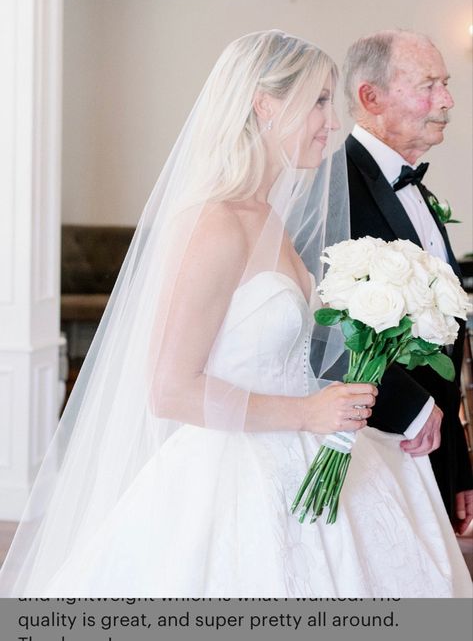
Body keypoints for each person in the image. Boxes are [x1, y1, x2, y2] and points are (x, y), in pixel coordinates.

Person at [0, 31, 470, 598]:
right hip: (233, 476)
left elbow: (303, 354)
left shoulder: (271, 218)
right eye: (318, 101)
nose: (331, 119)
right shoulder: (212, 222)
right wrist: (306, 412)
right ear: (264, 104)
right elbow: (170, 390)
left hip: (304, 452)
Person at [343, 29, 473, 534]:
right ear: (370, 97)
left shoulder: (416, 188)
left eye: (446, 84)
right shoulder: (335, 187)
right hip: (373, 449)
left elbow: (444, 340)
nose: (447, 100)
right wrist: (411, 411)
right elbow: (324, 329)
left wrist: (458, 462)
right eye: (429, 85)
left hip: (430, 450)